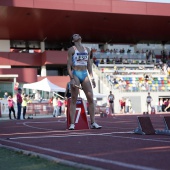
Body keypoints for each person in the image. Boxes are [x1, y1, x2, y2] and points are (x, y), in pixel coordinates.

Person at [67, 33, 102, 130]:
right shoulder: (71, 50)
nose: (77, 35)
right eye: (74, 35)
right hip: (76, 73)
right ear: (73, 40)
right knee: (74, 99)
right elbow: (68, 66)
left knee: (90, 99)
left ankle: (93, 122)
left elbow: (89, 65)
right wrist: (72, 79)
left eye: (78, 34)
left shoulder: (88, 49)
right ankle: (72, 124)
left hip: (84, 74)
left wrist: (92, 78)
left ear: (80, 38)